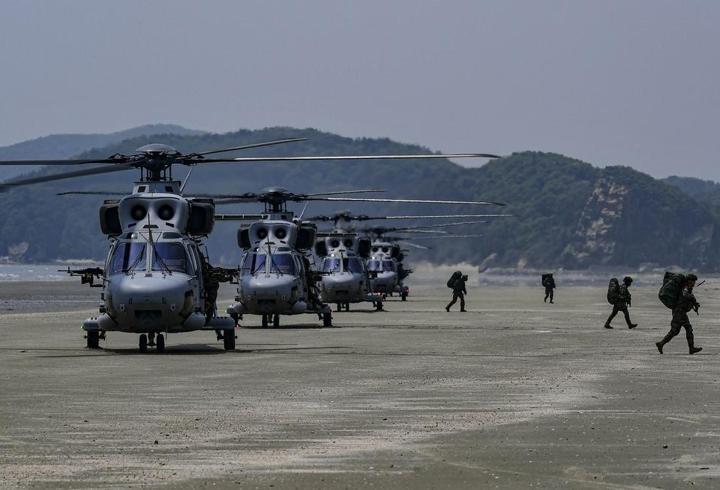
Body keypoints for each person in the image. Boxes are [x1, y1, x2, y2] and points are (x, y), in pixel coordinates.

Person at [656, 273, 702, 355]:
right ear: (689, 281)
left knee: (675, 331)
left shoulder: (686, 288)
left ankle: (661, 343)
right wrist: (693, 300)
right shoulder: (684, 288)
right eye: (693, 281)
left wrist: (694, 303)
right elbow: (685, 295)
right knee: (687, 329)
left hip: (680, 312)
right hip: (679, 312)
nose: (694, 283)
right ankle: (691, 348)